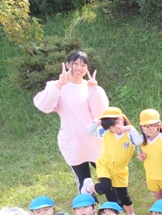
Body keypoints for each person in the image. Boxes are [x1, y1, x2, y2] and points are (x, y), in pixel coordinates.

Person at [33, 50, 109, 191]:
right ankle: (88, 204)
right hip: (73, 141)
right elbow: (44, 106)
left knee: (107, 177)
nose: (79, 68)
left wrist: (94, 91)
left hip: (95, 141)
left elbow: (99, 114)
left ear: (87, 68)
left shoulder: (91, 86)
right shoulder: (57, 86)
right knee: (83, 181)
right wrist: (58, 85)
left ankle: (115, 204)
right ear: (68, 64)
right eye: (75, 64)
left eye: (83, 65)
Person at [81, 107, 142, 215]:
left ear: (121, 120)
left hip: (120, 169)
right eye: (109, 128)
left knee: (123, 196)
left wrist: (131, 128)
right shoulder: (106, 133)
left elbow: (139, 141)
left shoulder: (129, 135)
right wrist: (100, 121)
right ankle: (89, 187)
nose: (113, 130)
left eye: (114, 126)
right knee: (105, 187)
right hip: (105, 164)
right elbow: (90, 131)